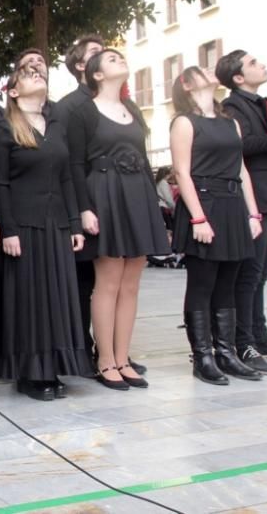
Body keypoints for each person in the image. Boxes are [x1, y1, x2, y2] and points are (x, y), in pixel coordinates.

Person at [0, 65, 93, 401]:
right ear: (12, 92)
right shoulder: (3, 128)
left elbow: (66, 178)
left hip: (56, 224)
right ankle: (30, 373)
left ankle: (54, 366)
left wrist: (74, 224)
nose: (37, 76)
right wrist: (8, 230)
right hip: (22, 226)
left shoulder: (56, 126)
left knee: (56, 298)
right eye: (28, 75)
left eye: (40, 74)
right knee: (27, 300)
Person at [67, 49, 170, 391]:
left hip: (137, 193)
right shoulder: (85, 110)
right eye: (111, 59)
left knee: (132, 282)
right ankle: (105, 360)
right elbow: (76, 165)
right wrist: (84, 209)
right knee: (108, 280)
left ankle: (124, 358)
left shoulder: (134, 109)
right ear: (96, 74)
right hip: (103, 195)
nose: (119, 60)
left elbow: (142, 158)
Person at [170, 65, 263, 385]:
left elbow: (241, 170)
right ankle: (203, 356)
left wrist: (253, 214)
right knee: (202, 283)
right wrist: (197, 217)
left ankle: (226, 353)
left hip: (232, 203)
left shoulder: (230, 123)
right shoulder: (184, 122)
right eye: (202, 70)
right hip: (204, 202)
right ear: (187, 84)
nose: (211, 72)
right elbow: (182, 173)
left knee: (228, 282)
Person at [217, 50, 267, 366]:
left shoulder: (258, 103)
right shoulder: (233, 107)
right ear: (238, 78)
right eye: (254, 63)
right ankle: (244, 342)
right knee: (250, 273)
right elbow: (243, 146)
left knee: (260, 274)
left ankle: (259, 335)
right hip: (252, 199)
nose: (263, 64)